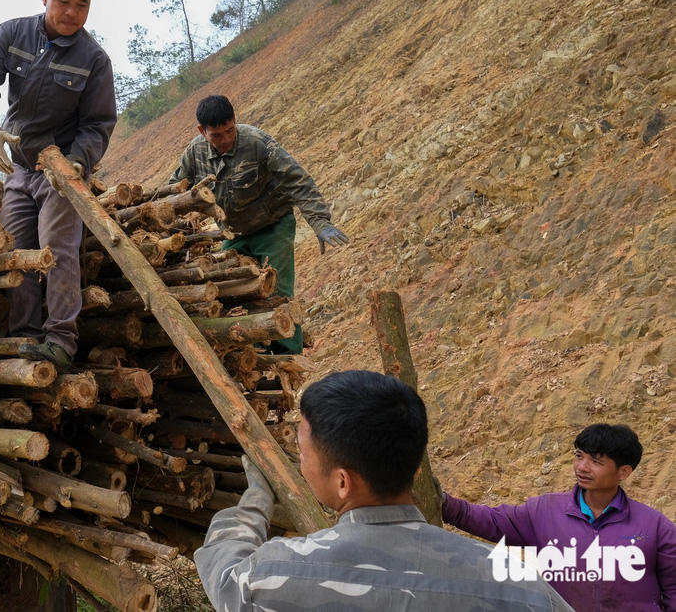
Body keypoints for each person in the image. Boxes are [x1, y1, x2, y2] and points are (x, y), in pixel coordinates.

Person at [195, 370, 573, 611]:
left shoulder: (278, 572)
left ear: (343, 482)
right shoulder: (522, 585)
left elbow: (222, 570)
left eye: (301, 452)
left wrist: (255, 500)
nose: (300, 463)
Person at [0, 0, 116, 370]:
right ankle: (24, 340)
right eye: (64, 1)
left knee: (57, 250)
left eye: (82, 5)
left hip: (60, 174)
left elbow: (98, 122)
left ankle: (60, 342)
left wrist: (75, 164)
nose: (72, 13)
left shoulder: (93, 59)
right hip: (18, 169)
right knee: (17, 253)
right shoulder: (12, 33)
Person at [168, 95, 348, 353]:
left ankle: (287, 356)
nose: (226, 139)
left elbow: (297, 180)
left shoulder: (256, 142)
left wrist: (319, 222)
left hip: (272, 226)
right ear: (202, 131)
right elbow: (176, 191)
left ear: (235, 121)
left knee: (276, 291)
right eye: (217, 135)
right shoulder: (194, 152)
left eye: (230, 130)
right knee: (230, 291)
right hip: (233, 232)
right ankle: (251, 353)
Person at [441, 423, 676, 611]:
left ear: (624, 472)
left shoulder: (654, 526)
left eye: (596, 461)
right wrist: (445, 504)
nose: (582, 467)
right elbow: (493, 521)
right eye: (579, 456)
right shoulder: (544, 510)